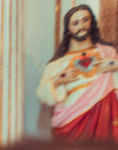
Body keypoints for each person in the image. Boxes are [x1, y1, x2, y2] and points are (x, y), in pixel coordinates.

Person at [38, 5, 118, 140]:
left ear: (91, 22)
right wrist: (58, 80)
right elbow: (44, 94)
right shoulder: (56, 65)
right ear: (68, 28)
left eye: (85, 20)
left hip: (105, 117)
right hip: (70, 121)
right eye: (75, 23)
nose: (82, 26)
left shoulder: (107, 53)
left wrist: (113, 64)